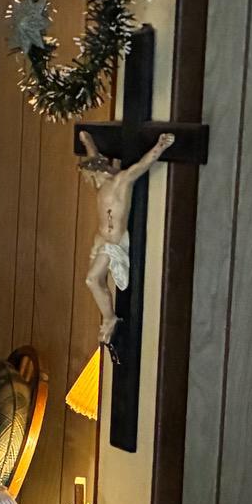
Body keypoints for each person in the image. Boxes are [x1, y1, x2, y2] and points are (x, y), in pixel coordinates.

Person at [80, 131, 173, 345]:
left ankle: (109, 318)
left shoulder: (122, 181)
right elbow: (94, 157)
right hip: (102, 240)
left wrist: (160, 145)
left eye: (95, 174)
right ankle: (109, 318)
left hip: (114, 241)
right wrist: (88, 141)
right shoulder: (101, 185)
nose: (94, 179)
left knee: (92, 279)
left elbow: (143, 164)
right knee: (93, 280)